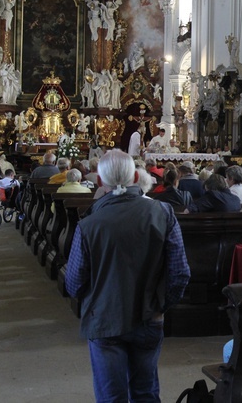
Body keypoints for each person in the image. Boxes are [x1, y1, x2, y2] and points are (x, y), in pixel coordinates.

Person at [65, 149, 190, 402]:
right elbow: (180, 273)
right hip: (149, 316)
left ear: (100, 182)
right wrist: (161, 305)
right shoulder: (164, 213)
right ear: (135, 176)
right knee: (145, 392)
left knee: (112, 396)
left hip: (104, 319)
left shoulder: (89, 224)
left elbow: (74, 282)